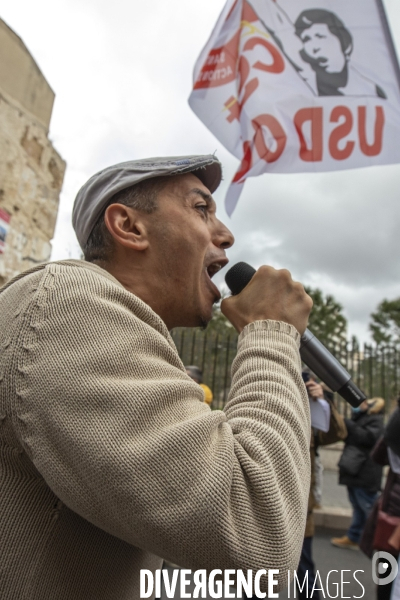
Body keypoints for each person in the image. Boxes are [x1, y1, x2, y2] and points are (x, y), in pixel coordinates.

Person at [0, 154, 313, 599]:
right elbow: (257, 532)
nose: (225, 234)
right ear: (129, 227)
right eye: (201, 209)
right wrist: (271, 333)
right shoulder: (70, 305)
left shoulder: (117, 332)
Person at [261, 2, 386, 98]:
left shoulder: (372, 92)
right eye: (306, 39)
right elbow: (279, 25)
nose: (314, 47)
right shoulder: (305, 80)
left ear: (346, 44)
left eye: (320, 36)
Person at [331, 397, 385, 550]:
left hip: (365, 471)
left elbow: (368, 438)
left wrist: (349, 424)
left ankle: (379, 539)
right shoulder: (361, 418)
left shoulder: (375, 420)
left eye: (365, 403)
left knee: (368, 507)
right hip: (355, 469)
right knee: (358, 506)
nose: (359, 404)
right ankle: (354, 536)